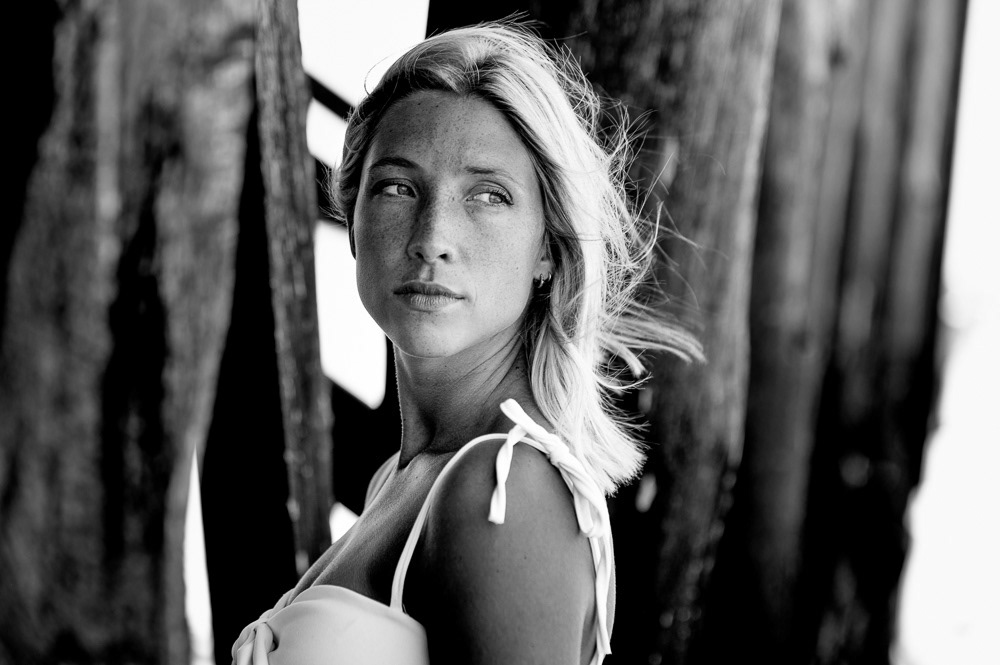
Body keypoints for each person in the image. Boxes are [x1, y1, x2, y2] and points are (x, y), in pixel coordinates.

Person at [232, 21, 700, 665]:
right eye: (398, 187)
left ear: (547, 248)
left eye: (487, 195)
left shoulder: (505, 490)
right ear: (354, 221)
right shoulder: (400, 478)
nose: (432, 238)